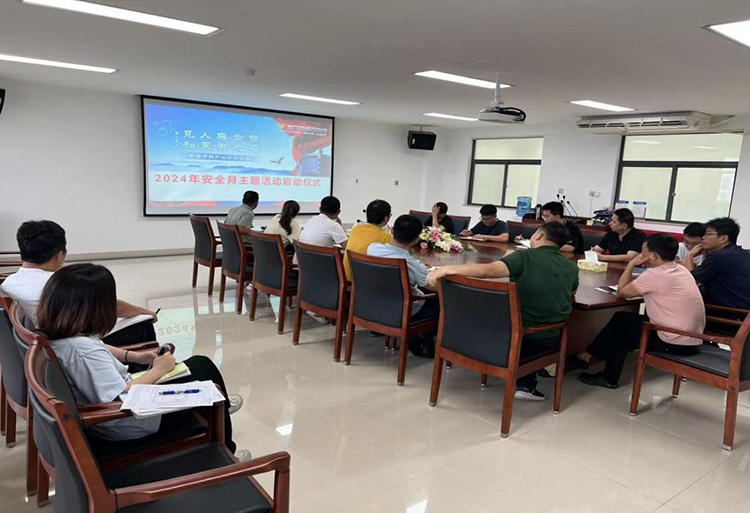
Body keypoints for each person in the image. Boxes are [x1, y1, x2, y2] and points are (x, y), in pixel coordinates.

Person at [36, 263, 250, 460]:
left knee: (197, 368)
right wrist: (158, 370)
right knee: (204, 371)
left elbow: (98, 348)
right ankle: (227, 452)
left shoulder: (60, 335)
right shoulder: (83, 352)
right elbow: (123, 396)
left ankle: (219, 408)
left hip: (118, 408)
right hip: (131, 420)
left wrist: (135, 357)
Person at [427, 222, 579, 401]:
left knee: (512, 317)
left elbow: (488, 270)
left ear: (538, 235)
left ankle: (517, 378)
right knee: (527, 317)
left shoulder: (524, 257)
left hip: (509, 339)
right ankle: (526, 384)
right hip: (549, 339)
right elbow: (571, 294)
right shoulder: (571, 267)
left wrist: (446, 269)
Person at [573, 234, 705, 389]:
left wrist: (631, 264)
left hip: (673, 341)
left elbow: (622, 292)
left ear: (653, 256)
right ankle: (587, 355)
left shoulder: (655, 274)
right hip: (692, 338)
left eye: (643, 252)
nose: (641, 256)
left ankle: (607, 376)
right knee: (624, 320)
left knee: (621, 328)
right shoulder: (681, 269)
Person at [1, 220, 158, 347]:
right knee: (142, 323)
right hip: (74, 342)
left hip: (43, 341)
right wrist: (143, 312)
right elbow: (111, 307)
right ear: (60, 255)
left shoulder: (9, 283)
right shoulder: (58, 285)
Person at [368, 215, 439, 355]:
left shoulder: (373, 248)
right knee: (442, 299)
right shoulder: (412, 264)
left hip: (373, 303)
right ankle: (424, 343)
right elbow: (434, 287)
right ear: (416, 239)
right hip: (402, 309)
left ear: (392, 230)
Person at [685, 217, 750, 309]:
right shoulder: (741, 253)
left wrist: (690, 256)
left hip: (730, 312)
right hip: (743, 309)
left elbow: (689, 281)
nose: (703, 237)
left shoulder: (719, 256)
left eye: (708, 234)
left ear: (723, 238)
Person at [344, 199, 392, 280]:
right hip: (366, 282)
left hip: (348, 279)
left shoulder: (355, 229)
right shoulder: (387, 237)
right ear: (386, 219)